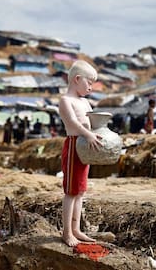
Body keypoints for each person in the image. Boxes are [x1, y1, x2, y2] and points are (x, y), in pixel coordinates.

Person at [58, 60, 102, 247]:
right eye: (89, 82)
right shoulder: (65, 100)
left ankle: (77, 229)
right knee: (70, 192)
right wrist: (88, 134)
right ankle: (67, 232)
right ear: (77, 79)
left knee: (80, 191)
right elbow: (73, 122)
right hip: (75, 144)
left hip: (85, 147)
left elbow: (92, 122)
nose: (91, 87)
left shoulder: (85, 102)